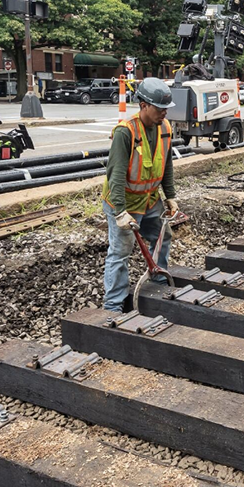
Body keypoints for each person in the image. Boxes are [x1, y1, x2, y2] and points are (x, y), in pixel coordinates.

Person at [101, 78, 180, 312]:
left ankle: (158, 282)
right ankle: (114, 305)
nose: (164, 113)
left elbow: (166, 165)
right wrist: (120, 212)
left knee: (162, 236)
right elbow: (115, 175)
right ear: (144, 105)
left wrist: (170, 196)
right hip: (124, 201)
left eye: (167, 108)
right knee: (120, 252)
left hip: (150, 199)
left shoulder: (165, 128)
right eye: (159, 108)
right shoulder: (126, 133)